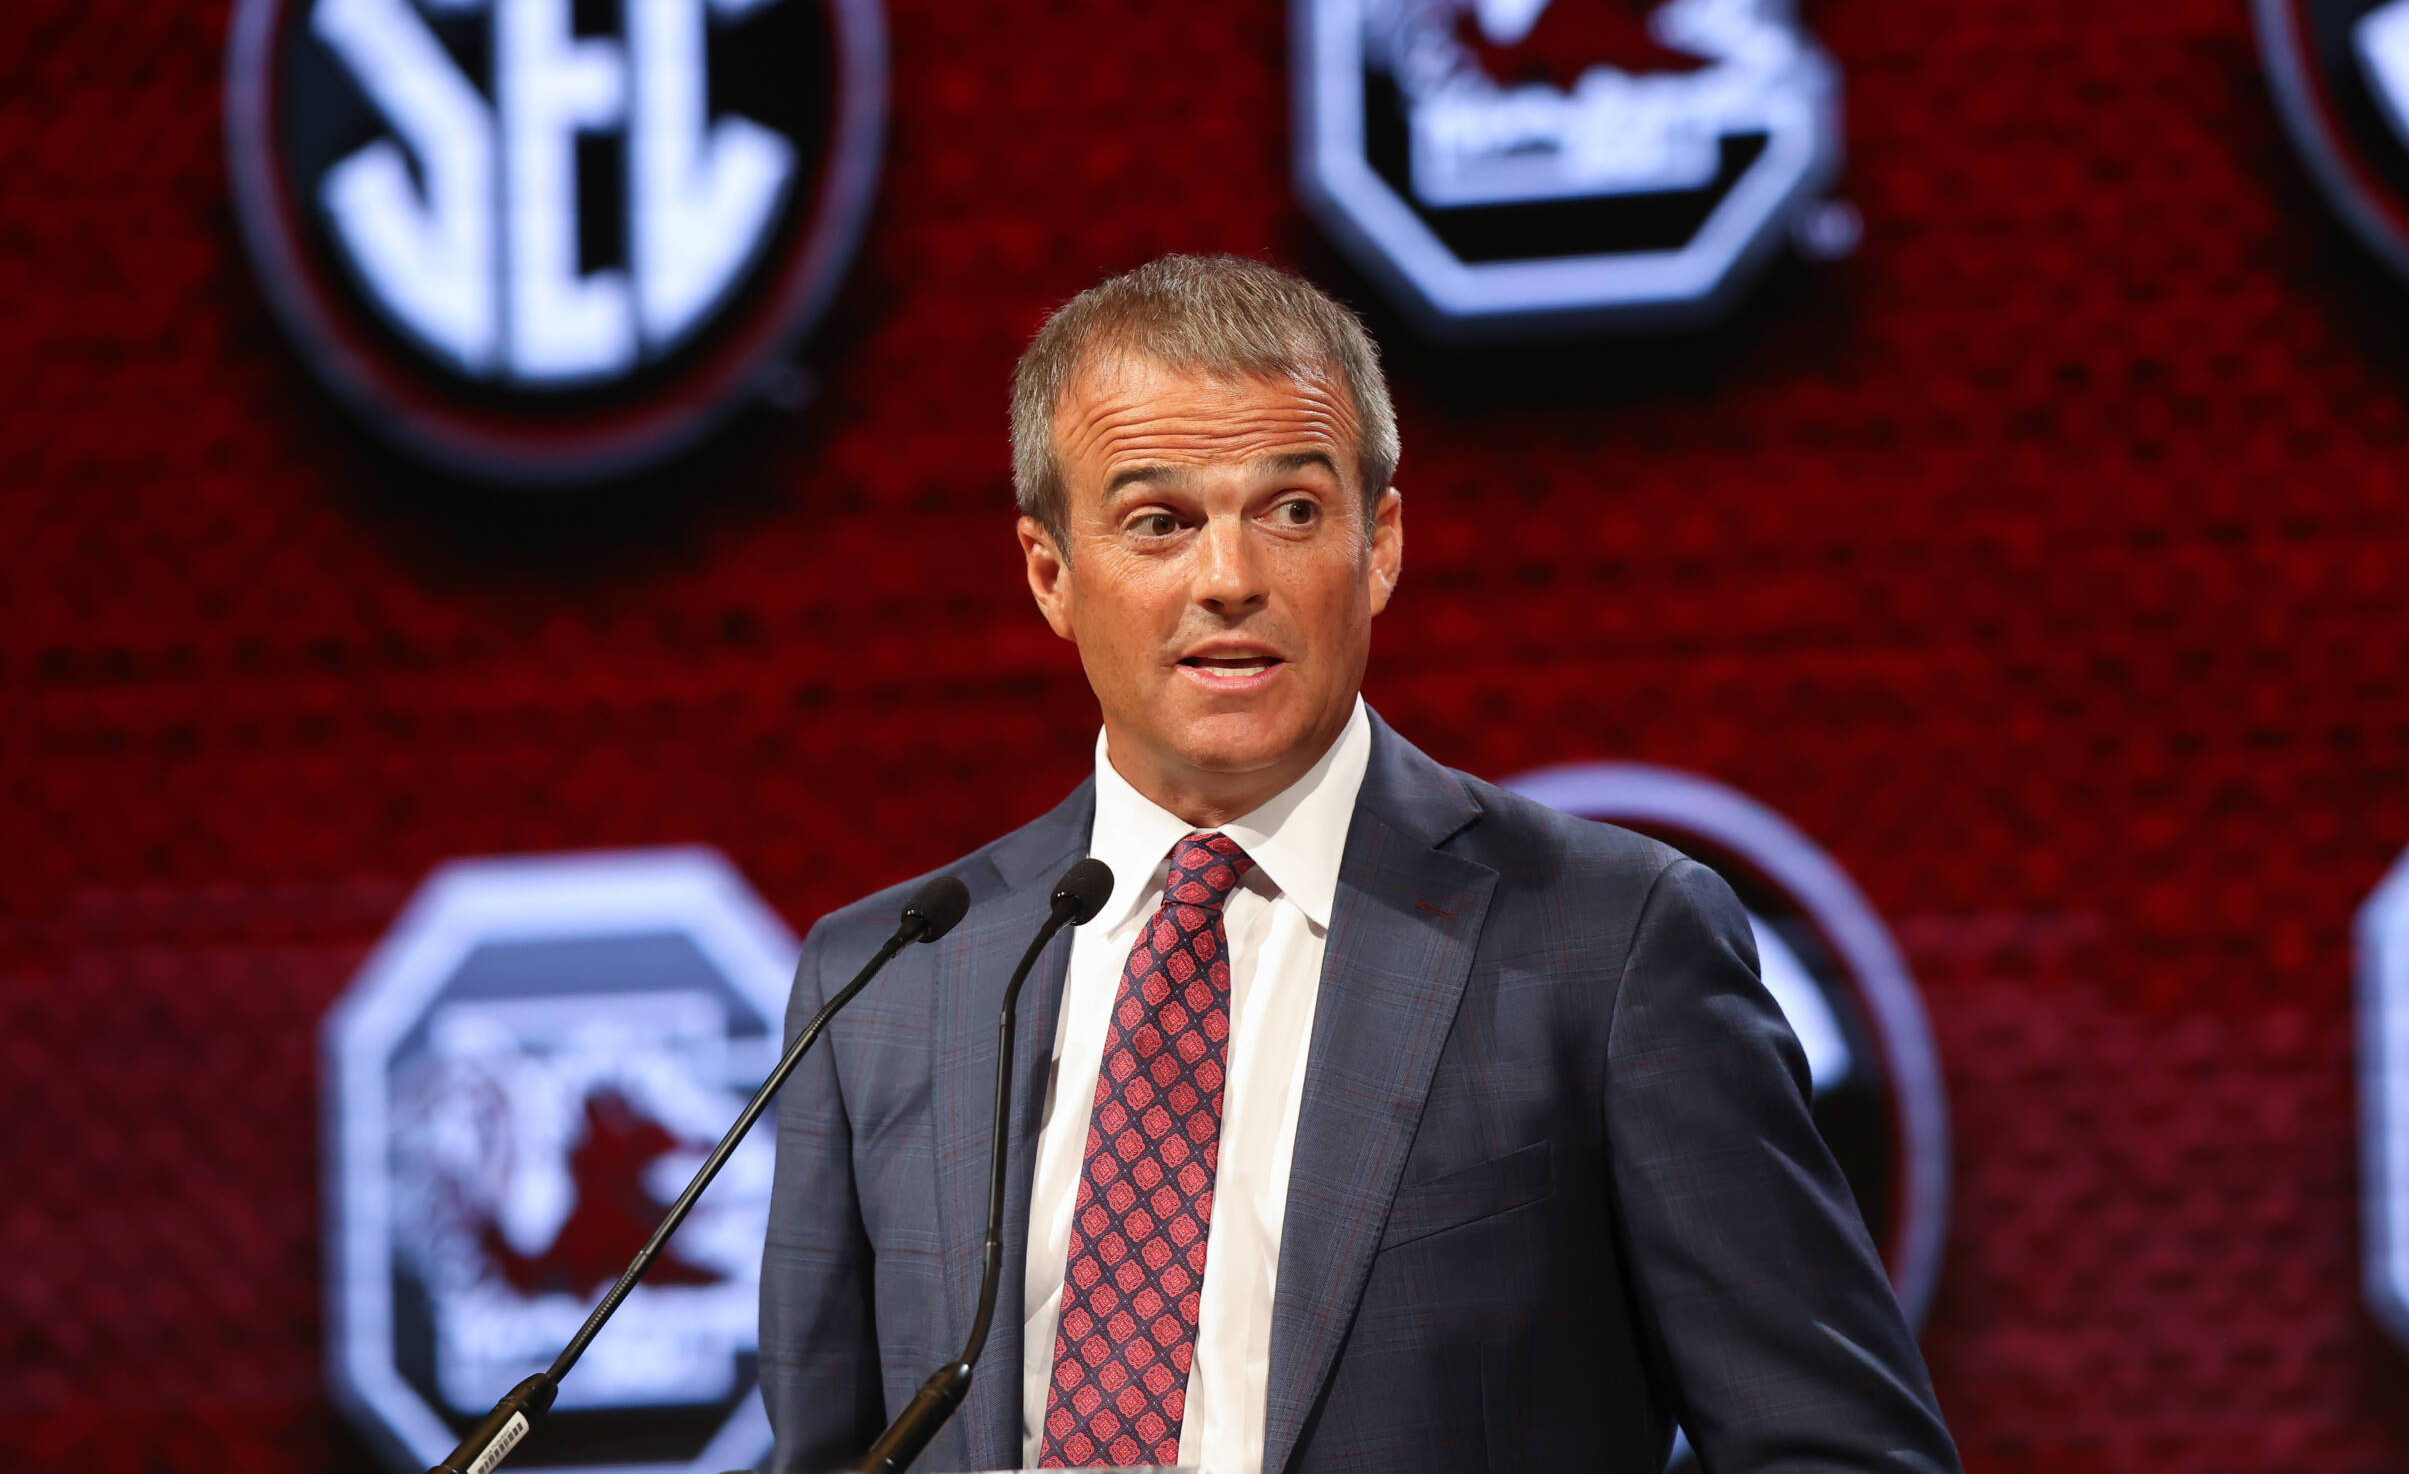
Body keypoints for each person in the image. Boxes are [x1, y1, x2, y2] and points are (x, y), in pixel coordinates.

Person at [759, 255, 1961, 1474]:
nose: (1229, 579)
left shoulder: (1608, 941)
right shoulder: (890, 986)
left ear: (1378, 543)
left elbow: (1838, 1448)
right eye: (1158, 521)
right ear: (1049, 574)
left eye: (1290, 509)